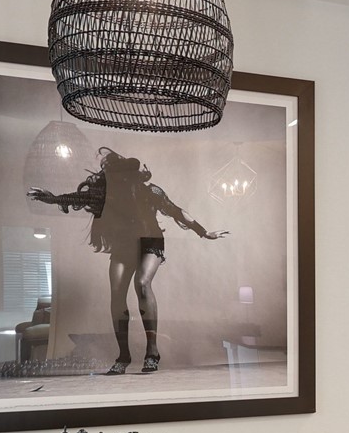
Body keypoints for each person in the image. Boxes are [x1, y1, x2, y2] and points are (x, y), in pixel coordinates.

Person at [30, 146, 227, 374]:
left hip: (151, 240)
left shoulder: (151, 191)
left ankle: (152, 351)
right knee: (117, 293)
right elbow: (76, 197)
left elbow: (176, 211)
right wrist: (51, 198)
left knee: (142, 283)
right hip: (124, 244)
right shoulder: (106, 194)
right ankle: (123, 355)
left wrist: (203, 232)